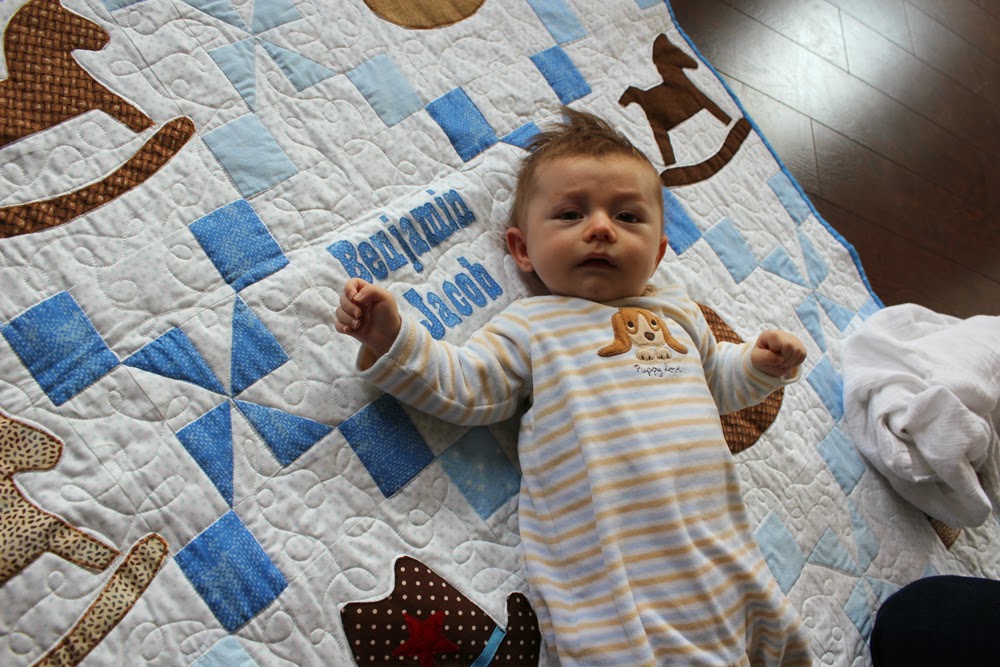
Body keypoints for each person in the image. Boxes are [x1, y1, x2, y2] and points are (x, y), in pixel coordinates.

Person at [335, 108, 812, 665]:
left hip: (722, 544)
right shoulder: (534, 324)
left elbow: (720, 385)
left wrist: (759, 365)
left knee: (773, 641)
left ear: (658, 253)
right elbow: (467, 387)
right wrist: (392, 337)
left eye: (627, 216)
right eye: (570, 214)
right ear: (522, 250)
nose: (602, 228)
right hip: (609, 569)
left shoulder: (679, 314)